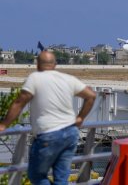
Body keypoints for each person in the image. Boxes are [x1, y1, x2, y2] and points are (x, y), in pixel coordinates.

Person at [0, 51, 96, 184]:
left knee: (36, 175)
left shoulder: (35, 78)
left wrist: (4, 124)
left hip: (48, 134)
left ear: (37, 64)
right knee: (61, 178)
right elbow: (91, 95)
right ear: (55, 64)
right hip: (71, 133)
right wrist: (80, 118)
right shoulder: (67, 78)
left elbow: (19, 102)